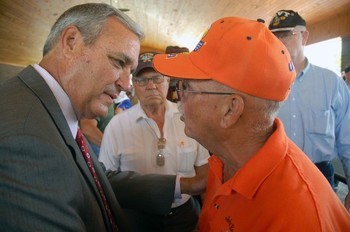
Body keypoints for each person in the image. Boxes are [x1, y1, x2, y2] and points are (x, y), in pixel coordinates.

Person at [0, 3, 201, 232]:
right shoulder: (25, 138)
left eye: (130, 71)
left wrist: (182, 185)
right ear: (71, 42)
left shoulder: (51, 112)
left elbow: (96, 180)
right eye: (118, 62)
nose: (126, 86)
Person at [153, 16, 350, 231]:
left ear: (230, 110)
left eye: (186, 87)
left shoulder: (299, 219)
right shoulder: (225, 161)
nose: (178, 96)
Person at [99, 52, 210, 231]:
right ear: (133, 85)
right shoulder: (117, 125)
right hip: (137, 218)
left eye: (157, 78)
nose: (150, 86)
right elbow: (106, 182)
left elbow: (205, 174)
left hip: (185, 216)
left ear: (167, 81)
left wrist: (208, 218)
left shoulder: (189, 118)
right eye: (142, 80)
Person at [268, 10, 350, 209]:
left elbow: (347, 139)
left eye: (286, 34)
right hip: (273, 174)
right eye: (274, 36)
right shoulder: (263, 83)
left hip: (320, 173)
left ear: (304, 36)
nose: (279, 41)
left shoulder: (331, 83)